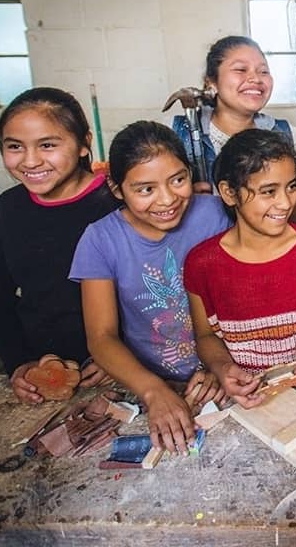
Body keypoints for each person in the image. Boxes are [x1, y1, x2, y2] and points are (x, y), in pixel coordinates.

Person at [71, 121, 228, 453]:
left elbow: (241, 301)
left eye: (178, 180)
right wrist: (154, 392)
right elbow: (101, 337)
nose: (168, 199)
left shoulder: (215, 215)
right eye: (145, 189)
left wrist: (222, 367)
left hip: (220, 372)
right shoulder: (100, 239)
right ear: (117, 189)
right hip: (147, 379)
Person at [185, 129, 296, 410]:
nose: (285, 203)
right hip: (251, 399)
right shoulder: (202, 264)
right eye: (269, 191)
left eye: (291, 186)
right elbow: (206, 336)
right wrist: (222, 368)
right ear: (228, 193)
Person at [0, 87, 120, 405]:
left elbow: (153, 291)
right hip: (42, 368)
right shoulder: (7, 209)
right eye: (14, 146)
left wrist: (120, 355)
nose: (30, 160)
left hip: (118, 368)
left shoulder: (116, 202)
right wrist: (18, 364)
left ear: (85, 143)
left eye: (47, 145)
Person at [171, 36, 296, 222]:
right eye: (241, 69)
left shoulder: (285, 133)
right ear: (211, 82)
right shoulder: (177, 133)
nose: (255, 78)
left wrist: (277, 203)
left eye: (263, 71)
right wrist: (184, 201)